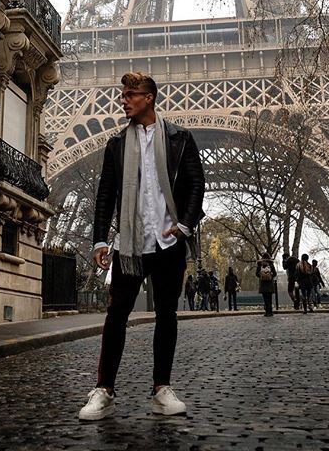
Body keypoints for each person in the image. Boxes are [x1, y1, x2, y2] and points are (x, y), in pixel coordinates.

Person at [78, 72, 205, 421]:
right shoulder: (117, 145)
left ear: (149, 97)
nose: (124, 100)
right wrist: (101, 239)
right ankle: (104, 390)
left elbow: (196, 184)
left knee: (167, 314)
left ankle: (161, 388)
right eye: (123, 95)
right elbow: (105, 195)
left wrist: (184, 226)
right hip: (130, 244)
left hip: (168, 242)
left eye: (131, 95)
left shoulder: (180, 138)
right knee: (116, 315)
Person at [255, 251, 277, 316]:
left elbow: (256, 273)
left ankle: (267, 311)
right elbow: (275, 273)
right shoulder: (271, 264)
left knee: (265, 299)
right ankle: (270, 311)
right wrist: (270, 276)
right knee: (269, 299)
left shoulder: (260, 264)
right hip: (270, 284)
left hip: (263, 284)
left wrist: (262, 276)